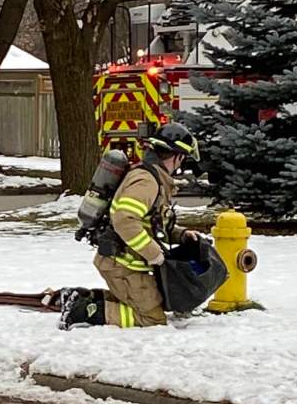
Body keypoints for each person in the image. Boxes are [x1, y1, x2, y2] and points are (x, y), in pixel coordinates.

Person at [58, 123, 202, 330]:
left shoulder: (153, 177)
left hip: (123, 262)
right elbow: (125, 219)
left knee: (152, 303)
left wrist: (182, 235)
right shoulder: (147, 181)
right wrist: (154, 254)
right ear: (177, 156)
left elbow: (152, 223)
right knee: (152, 319)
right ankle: (81, 310)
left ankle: (80, 296)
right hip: (123, 265)